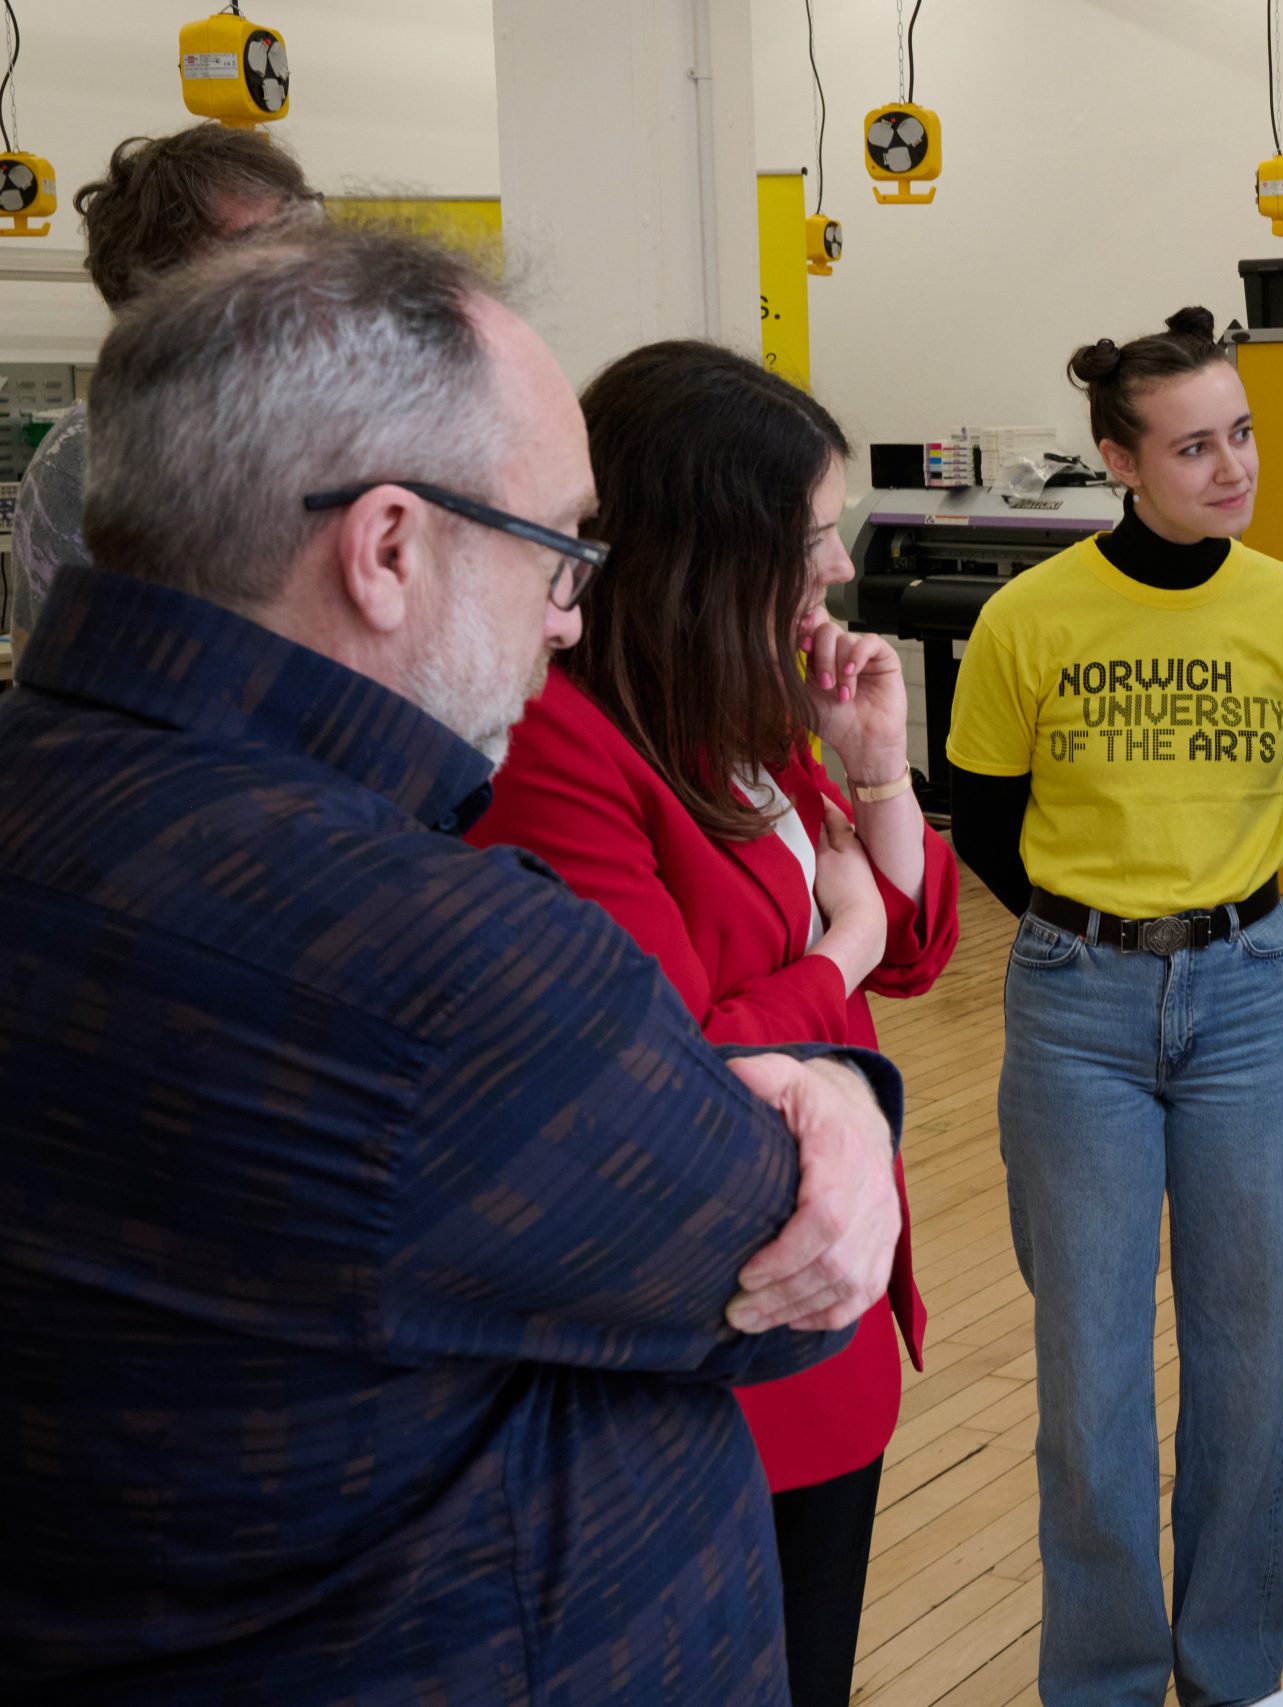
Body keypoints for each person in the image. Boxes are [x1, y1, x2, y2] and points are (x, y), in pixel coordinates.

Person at [0, 227, 907, 1704]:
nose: (570, 610)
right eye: (557, 549)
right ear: (390, 548)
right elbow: (782, 1259)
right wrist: (833, 1089)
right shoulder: (425, 954)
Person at [465, 339, 961, 1707]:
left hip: (832, 1334)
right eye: (813, 536)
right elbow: (673, 1049)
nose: (840, 571)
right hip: (718, 1357)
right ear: (708, 548)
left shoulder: (735, 705)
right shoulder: (560, 748)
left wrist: (875, 780)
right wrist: (839, 939)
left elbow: (912, 953)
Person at [944, 306, 1283, 1706]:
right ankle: (1108, 1681)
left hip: (1248, 998)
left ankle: (1232, 1673)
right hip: (1077, 1009)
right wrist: (1100, 925)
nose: (1230, 466)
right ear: (1121, 459)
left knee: (1247, 1361)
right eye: (1192, 446)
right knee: (1094, 1373)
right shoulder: (1028, 616)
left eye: (1240, 433)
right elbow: (986, 818)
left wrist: (1197, 913)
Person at [10, 121, 322, 655]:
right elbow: (64, 707)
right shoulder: (93, 459)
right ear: (156, 288)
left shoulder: (326, 426)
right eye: (255, 249)